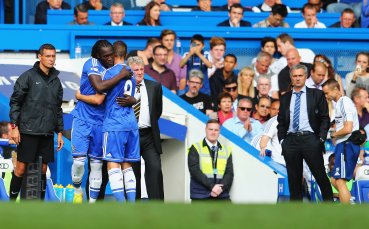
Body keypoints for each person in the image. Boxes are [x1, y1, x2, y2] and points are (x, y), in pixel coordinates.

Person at [70, 40, 131, 203]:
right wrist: (120, 76)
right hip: (83, 119)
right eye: (106, 56)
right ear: (97, 56)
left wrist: (80, 96)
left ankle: (92, 205)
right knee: (79, 163)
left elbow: (100, 100)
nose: (110, 58)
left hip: (102, 123)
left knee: (96, 165)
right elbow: (99, 87)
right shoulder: (92, 63)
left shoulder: (113, 70)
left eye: (112, 54)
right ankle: (77, 190)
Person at [9, 43, 64, 200]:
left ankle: (39, 207)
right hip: (28, 131)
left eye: (53, 56)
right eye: (47, 56)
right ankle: (11, 204)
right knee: (20, 168)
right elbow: (15, 103)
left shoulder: (57, 82)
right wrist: (14, 127)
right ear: (40, 57)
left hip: (47, 133)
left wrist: (59, 131)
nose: (51, 59)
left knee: (43, 169)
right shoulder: (27, 77)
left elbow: (58, 108)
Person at [277, 64, 333, 202]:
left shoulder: (317, 94)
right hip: (290, 141)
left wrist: (320, 139)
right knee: (294, 181)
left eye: (300, 75)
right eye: (294, 76)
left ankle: (331, 210)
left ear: (306, 76)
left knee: (320, 176)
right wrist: (282, 141)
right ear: (291, 78)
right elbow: (281, 122)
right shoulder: (285, 98)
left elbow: (325, 118)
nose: (297, 79)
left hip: (310, 139)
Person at [117, 56, 164, 200]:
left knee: (155, 169)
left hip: (149, 135)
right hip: (131, 136)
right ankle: (134, 207)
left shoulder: (154, 86)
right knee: (132, 173)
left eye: (141, 69)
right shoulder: (122, 87)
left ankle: (158, 207)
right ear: (129, 71)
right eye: (135, 69)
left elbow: (157, 111)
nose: (139, 72)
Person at [322, 79, 360, 203]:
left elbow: (348, 128)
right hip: (343, 145)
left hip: (347, 144)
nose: (326, 96)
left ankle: (347, 212)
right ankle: (350, 202)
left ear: (336, 89)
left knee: (340, 181)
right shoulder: (339, 103)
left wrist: (333, 134)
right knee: (334, 179)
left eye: (327, 93)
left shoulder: (344, 102)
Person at [188, 119, 233, 201]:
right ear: (205, 130)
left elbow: (229, 173)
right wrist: (212, 187)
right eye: (210, 129)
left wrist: (220, 189)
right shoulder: (195, 148)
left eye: (216, 130)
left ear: (219, 131)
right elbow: (195, 171)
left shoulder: (226, 150)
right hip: (200, 195)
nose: (213, 132)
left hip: (221, 194)